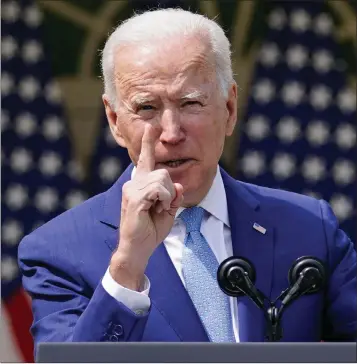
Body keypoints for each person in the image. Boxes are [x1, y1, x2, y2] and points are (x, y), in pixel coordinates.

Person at [18, 8, 356, 352]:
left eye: (191, 103)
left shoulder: (310, 226)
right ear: (115, 120)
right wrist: (127, 267)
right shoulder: (57, 251)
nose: (171, 133)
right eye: (147, 107)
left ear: (229, 109)